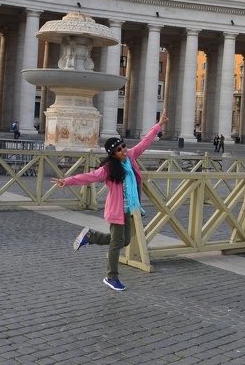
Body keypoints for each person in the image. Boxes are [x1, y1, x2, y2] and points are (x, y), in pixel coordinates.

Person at [51, 113, 169, 291]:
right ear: (113, 154)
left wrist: (158, 125)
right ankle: (111, 277)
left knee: (125, 240)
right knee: (116, 243)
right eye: (120, 149)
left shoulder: (131, 158)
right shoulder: (108, 169)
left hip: (129, 208)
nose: (124, 150)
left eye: (124, 146)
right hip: (116, 211)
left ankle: (91, 237)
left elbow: (145, 142)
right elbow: (89, 177)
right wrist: (67, 181)